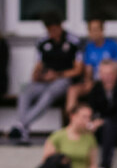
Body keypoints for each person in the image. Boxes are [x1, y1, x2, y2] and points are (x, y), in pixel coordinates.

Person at [9, 13, 83, 144]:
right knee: (25, 88)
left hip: (64, 79)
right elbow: (38, 66)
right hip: (45, 80)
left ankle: (20, 125)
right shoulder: (43, 42)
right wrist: (38, 76)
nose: (51, 33)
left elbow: (78, 69)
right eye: (49, 30)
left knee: (49, 93)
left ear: (60, 26)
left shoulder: (74, 41)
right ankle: (23, 129)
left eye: (54, 30)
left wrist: (57, 75)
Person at [68, 18, 117, 111]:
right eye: (91, 30)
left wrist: (107, 79)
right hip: (94, 83)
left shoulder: (113, 45)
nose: (94, 32)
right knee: (73, 90)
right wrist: (88, 81)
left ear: (102, 30)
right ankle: (74, 120)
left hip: (110, 81)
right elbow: (88, 69)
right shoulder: (89, 47)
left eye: (96, 29)